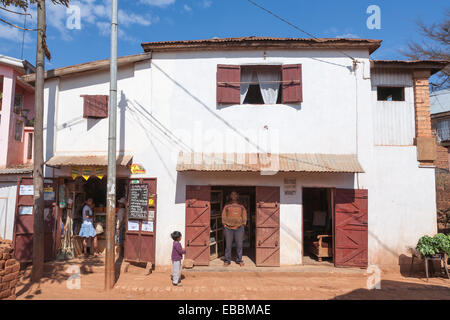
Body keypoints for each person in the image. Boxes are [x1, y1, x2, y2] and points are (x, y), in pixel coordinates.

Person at [221, 191, 247, 267]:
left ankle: (239, 260)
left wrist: (243, 224)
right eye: (232, 194)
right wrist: (224, 224)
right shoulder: (227, 206)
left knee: (239, 245)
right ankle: (227, 260)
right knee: (228, 245)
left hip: (239, 228)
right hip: (228, 228)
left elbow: (244, 215)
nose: (234, 196)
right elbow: (223, 215)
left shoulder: (241, 206)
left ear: (237, 196)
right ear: (230, 196)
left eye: (235, 194)